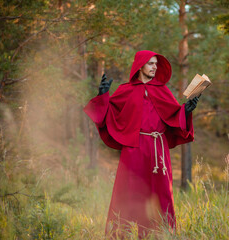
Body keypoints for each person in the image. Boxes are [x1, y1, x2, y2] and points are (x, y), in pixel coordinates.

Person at [83, 50, 199, 238]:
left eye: (156, 64)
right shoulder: (125, 90)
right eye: (151, 63)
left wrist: (186, 110)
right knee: (129, 192)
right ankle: (123, 235)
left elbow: (173, 117)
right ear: (140, 66)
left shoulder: (162, 90)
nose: (155, 67)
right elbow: (107, 116)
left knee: (161, 194)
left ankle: (161, 234)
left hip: (158, 149)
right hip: (134, 149)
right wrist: (102, 95)